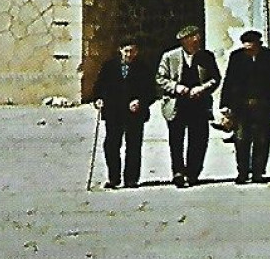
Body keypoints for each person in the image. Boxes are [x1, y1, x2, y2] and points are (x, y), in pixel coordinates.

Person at [83, 42, 157, 189]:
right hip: (113, 112)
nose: (129, 54)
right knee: (111, 145)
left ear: (136, 52)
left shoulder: (143, 68)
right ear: (120, 50)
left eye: (132, 51)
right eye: (126, 51)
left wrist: (140, 101)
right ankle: (114, 177)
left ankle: (131, 179)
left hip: (134, 113)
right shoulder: (109, 66)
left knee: (134, 146)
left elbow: (151, 91)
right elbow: (99, 86)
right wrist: (98, 99)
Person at [221, 30, 270, 184]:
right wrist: (224, 104)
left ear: (259, 44)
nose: (248, 49)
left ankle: (258, 172)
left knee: (262, 139)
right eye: (246, 47)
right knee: (241, 139)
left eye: (251, 46)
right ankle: (243, 172)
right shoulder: (236, 57)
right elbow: (229, 80)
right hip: (241, 105)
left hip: (264, 104)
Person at [156, 25, 221, 188]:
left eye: (198, 40)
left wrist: (202, 88)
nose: (196, 43)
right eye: (193, 40)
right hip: (177, 104)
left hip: (199, 105)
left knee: (199, 139)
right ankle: (178, 172)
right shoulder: (170, 57)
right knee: (176, 140)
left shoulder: (207, 57)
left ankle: (193, 172)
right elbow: (160, 78)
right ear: (184, 42)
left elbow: (215, 79)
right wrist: (176, 87)